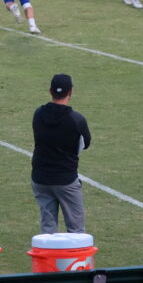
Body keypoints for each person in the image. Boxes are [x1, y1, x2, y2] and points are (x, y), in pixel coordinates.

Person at [31, 73, 91, 233]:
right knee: (76, 231)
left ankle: (46, 250)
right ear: (71, 92)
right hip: (66, 180)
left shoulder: (39, 114)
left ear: (50, 91)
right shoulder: (76, 119)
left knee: (47, 229)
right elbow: (85, 144)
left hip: (40, 178)